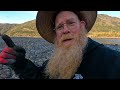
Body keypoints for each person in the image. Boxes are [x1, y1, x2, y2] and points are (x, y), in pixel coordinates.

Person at [0, 11, 120, 79]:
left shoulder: (113, 61)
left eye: (71, 23)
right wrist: (21, 64)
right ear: (56, 34)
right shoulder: (56, 63)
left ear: (82, 25)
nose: (65, 30)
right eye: (59, 27)